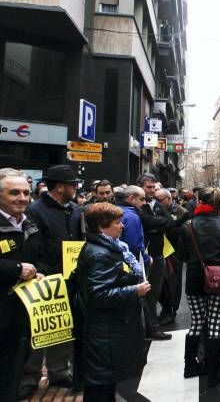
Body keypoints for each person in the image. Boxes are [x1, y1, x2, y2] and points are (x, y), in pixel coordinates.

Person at [75, 203, 149, 401]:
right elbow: (99, 295)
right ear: (101, 227)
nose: (122, 226)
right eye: (117, 223)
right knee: (101, 385)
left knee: (106, 383)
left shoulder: (109, 247)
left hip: (109, 328)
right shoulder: (99, 253)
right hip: (105, 331)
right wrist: (134, 290)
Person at [21, 165, 83, 395]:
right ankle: (30, 376)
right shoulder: (34, 210)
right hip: (42, 278)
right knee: (38, 327)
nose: (76, 188)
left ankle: (59, 371)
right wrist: (44, 270)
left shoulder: (76, 210)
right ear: (60, 187)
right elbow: (32, 244)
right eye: (72, 184)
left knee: (63, 325)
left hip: (69, 279)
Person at [183, 187, 220, 387]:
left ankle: (189, 366)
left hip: (194, 279)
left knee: (197, 322)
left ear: (199, 201)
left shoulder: (188, 224)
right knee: (215, 324)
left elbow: (182, 255)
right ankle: (213, 374)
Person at [0, 169, 42, 402]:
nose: (22, 198)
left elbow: (36, 258)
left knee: (15, 363)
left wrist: (38, 273)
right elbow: (19, 265)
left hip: (21, 311)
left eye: (26, 192)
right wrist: (16, 270)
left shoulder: (29, 224)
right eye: (14, 192)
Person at [136, 173, 174, 341]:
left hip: (158, 254)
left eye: (153, 187)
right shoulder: (138, 205)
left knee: (154, 293)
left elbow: (168, 222)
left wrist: (157, 224)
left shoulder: (156, 204)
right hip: (143, 256)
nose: (152, 190)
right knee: (143, 294)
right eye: (148, 187)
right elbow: (148, 222)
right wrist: (156, 224)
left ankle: (152, 328)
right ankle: (147, 328)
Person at [155, 188, 188, 327]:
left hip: (175, 252)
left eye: (160, 200)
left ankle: (170, 311)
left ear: (169, 199)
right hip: (159, 250)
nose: (157, 203)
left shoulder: (181, 211)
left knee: (172, 284)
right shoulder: (155, 210)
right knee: (161, 284)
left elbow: (185, 231)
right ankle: (165, 308)